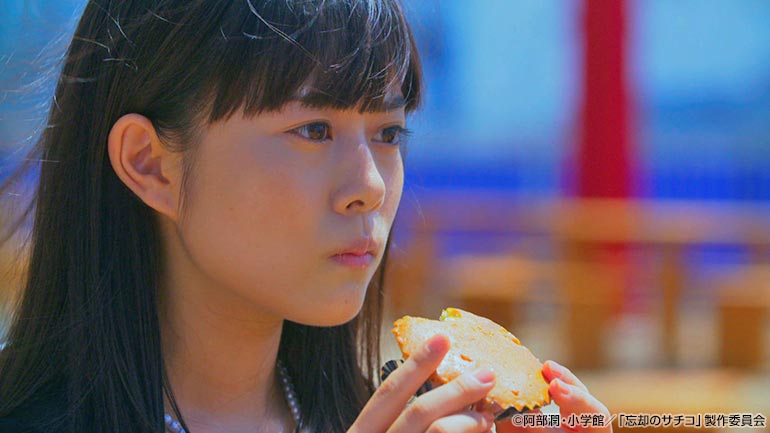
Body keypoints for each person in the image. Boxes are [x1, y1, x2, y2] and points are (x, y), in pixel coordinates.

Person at [0, 1, 613, 432]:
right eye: (314, 130)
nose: (370, 187)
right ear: (151, 164)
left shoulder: (398, 418)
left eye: (389, 133)